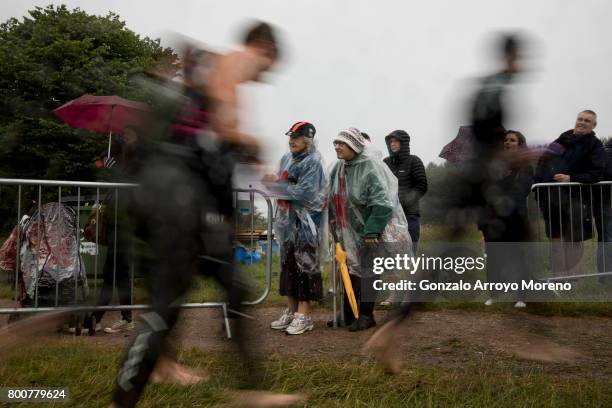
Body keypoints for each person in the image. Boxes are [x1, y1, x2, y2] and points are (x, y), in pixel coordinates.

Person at [109, 22, 303, 408]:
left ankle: (250, 390)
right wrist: (251, 141)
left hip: (182, 195)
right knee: (167, 304)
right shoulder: (236, 61)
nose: (267, 74)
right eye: (271, 64)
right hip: (175, 194)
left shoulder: (210, 71)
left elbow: (208, 140)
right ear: (265, 50)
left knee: (233, 286)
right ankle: (121, 399)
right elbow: (224, 127)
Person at [328, 128, 411, 332]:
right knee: (349, 270)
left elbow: (382, 202)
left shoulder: (370, 166)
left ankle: (366, 314)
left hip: (370, 229)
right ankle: (349, 312)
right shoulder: (340, 167)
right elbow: (332, 195)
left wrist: (372, 231)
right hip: (348, 229)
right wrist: (334, 226)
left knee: (368, 272)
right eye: (336, 143)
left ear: (354, 145)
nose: (337, 147)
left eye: (342, 143)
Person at [263, 122, 326, 335]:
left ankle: (304, 314)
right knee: (288, 265)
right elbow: (280, 185)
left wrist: (277, 186)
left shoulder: (314, 161)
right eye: (291, 136)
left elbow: (304, 194)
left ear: (308, 140)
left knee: (305, 267)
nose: (292, 140)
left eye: (297, 137)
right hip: (286, 222)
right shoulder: (286, 158)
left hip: (307, 223)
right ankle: (291, 310)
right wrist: (270, 182)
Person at [535, 110, 605, 277]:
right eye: (580, 119)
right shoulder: (561, 140)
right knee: (556, 240)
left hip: (578, 200)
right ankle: (558, 278)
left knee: (574, 240)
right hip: (553, 201)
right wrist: (538, 188)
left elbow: (597, 173)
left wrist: (571, 178)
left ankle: (574, 278)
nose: (582, 122)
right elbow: (542, 164)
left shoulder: (595, 146)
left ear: (594, 125)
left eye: (587, 121)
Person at [90, 125, 142, 334]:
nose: (125, 136)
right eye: (123, 133)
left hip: (126, 222)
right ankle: (123, 318)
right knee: (118, 273)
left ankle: (95, 320)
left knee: (112, 273)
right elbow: (98, 163)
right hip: (114, 220)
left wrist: (115, 169)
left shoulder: (138, 161)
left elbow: (131, 183)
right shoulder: (118, 155)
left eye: (129, 133)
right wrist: (105, 158)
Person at [482, 130, 533, 308]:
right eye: (506, 140)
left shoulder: (524, 167)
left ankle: (521, 297)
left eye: (512, 140)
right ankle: (494, 294)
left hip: (514, 219)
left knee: (517, 257)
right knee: (494, 258)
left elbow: (521, 191)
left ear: (520, 145)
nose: (508, 142)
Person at [383, 130, 427, 253]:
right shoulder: (385, 163)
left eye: (396, 141)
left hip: (410, 215)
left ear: (404, 143)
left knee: (410, 252)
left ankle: (411, 272)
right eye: (391, 142)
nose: (393, 144)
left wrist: (404, 202)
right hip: (391, 217)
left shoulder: (414, 161)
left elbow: (421, 186)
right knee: (392, 253)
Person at [593, 137, 612, 283]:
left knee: (605, 239)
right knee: (607, 239)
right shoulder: (607, 154)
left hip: (603, 202)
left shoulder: (603, 152)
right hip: (606, 202)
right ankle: (606, 275)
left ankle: (604, 275)